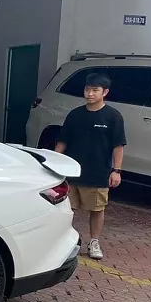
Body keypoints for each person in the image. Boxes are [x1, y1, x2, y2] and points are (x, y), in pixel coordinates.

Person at [54, 71, 126, 260]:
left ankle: (94, 242)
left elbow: (118, 146)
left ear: (105, 92)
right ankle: (63, 241)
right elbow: (62, 142)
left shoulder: (113, 117)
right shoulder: (75, 115)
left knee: (97, 209)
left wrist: (116, 170)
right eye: (88, 89)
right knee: (66, 208)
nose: (90, 94)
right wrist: (54, 163)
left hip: (98, 172)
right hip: (72, 173)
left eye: (95, 90)